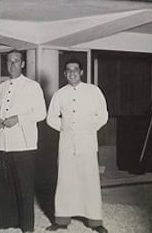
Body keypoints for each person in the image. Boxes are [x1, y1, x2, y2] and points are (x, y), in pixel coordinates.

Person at [46, 59, 108, 233]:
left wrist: (87, 129)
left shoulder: (93, 91)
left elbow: (103, 116)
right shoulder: (59, 94)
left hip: (87, 144)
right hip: (66, 144)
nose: (72, 73)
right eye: (68, 70)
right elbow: (51, 118)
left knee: (90, 182)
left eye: (75, 69)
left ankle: (95, 222)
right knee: (65, 182)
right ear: (65, 73)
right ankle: (62, 220)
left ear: (81, 72)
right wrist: (67, 129)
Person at [0, 50, 47, 233]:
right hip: (3, 143)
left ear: (23, 64)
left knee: (24, 187)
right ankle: (7, 221)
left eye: (16, 61)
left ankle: (26, 226)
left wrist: (19, 118)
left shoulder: (32, 86)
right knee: (5, 185)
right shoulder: (1, 87)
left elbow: (41, 113)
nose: (12, 65)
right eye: (9, 61)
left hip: (24, 144)